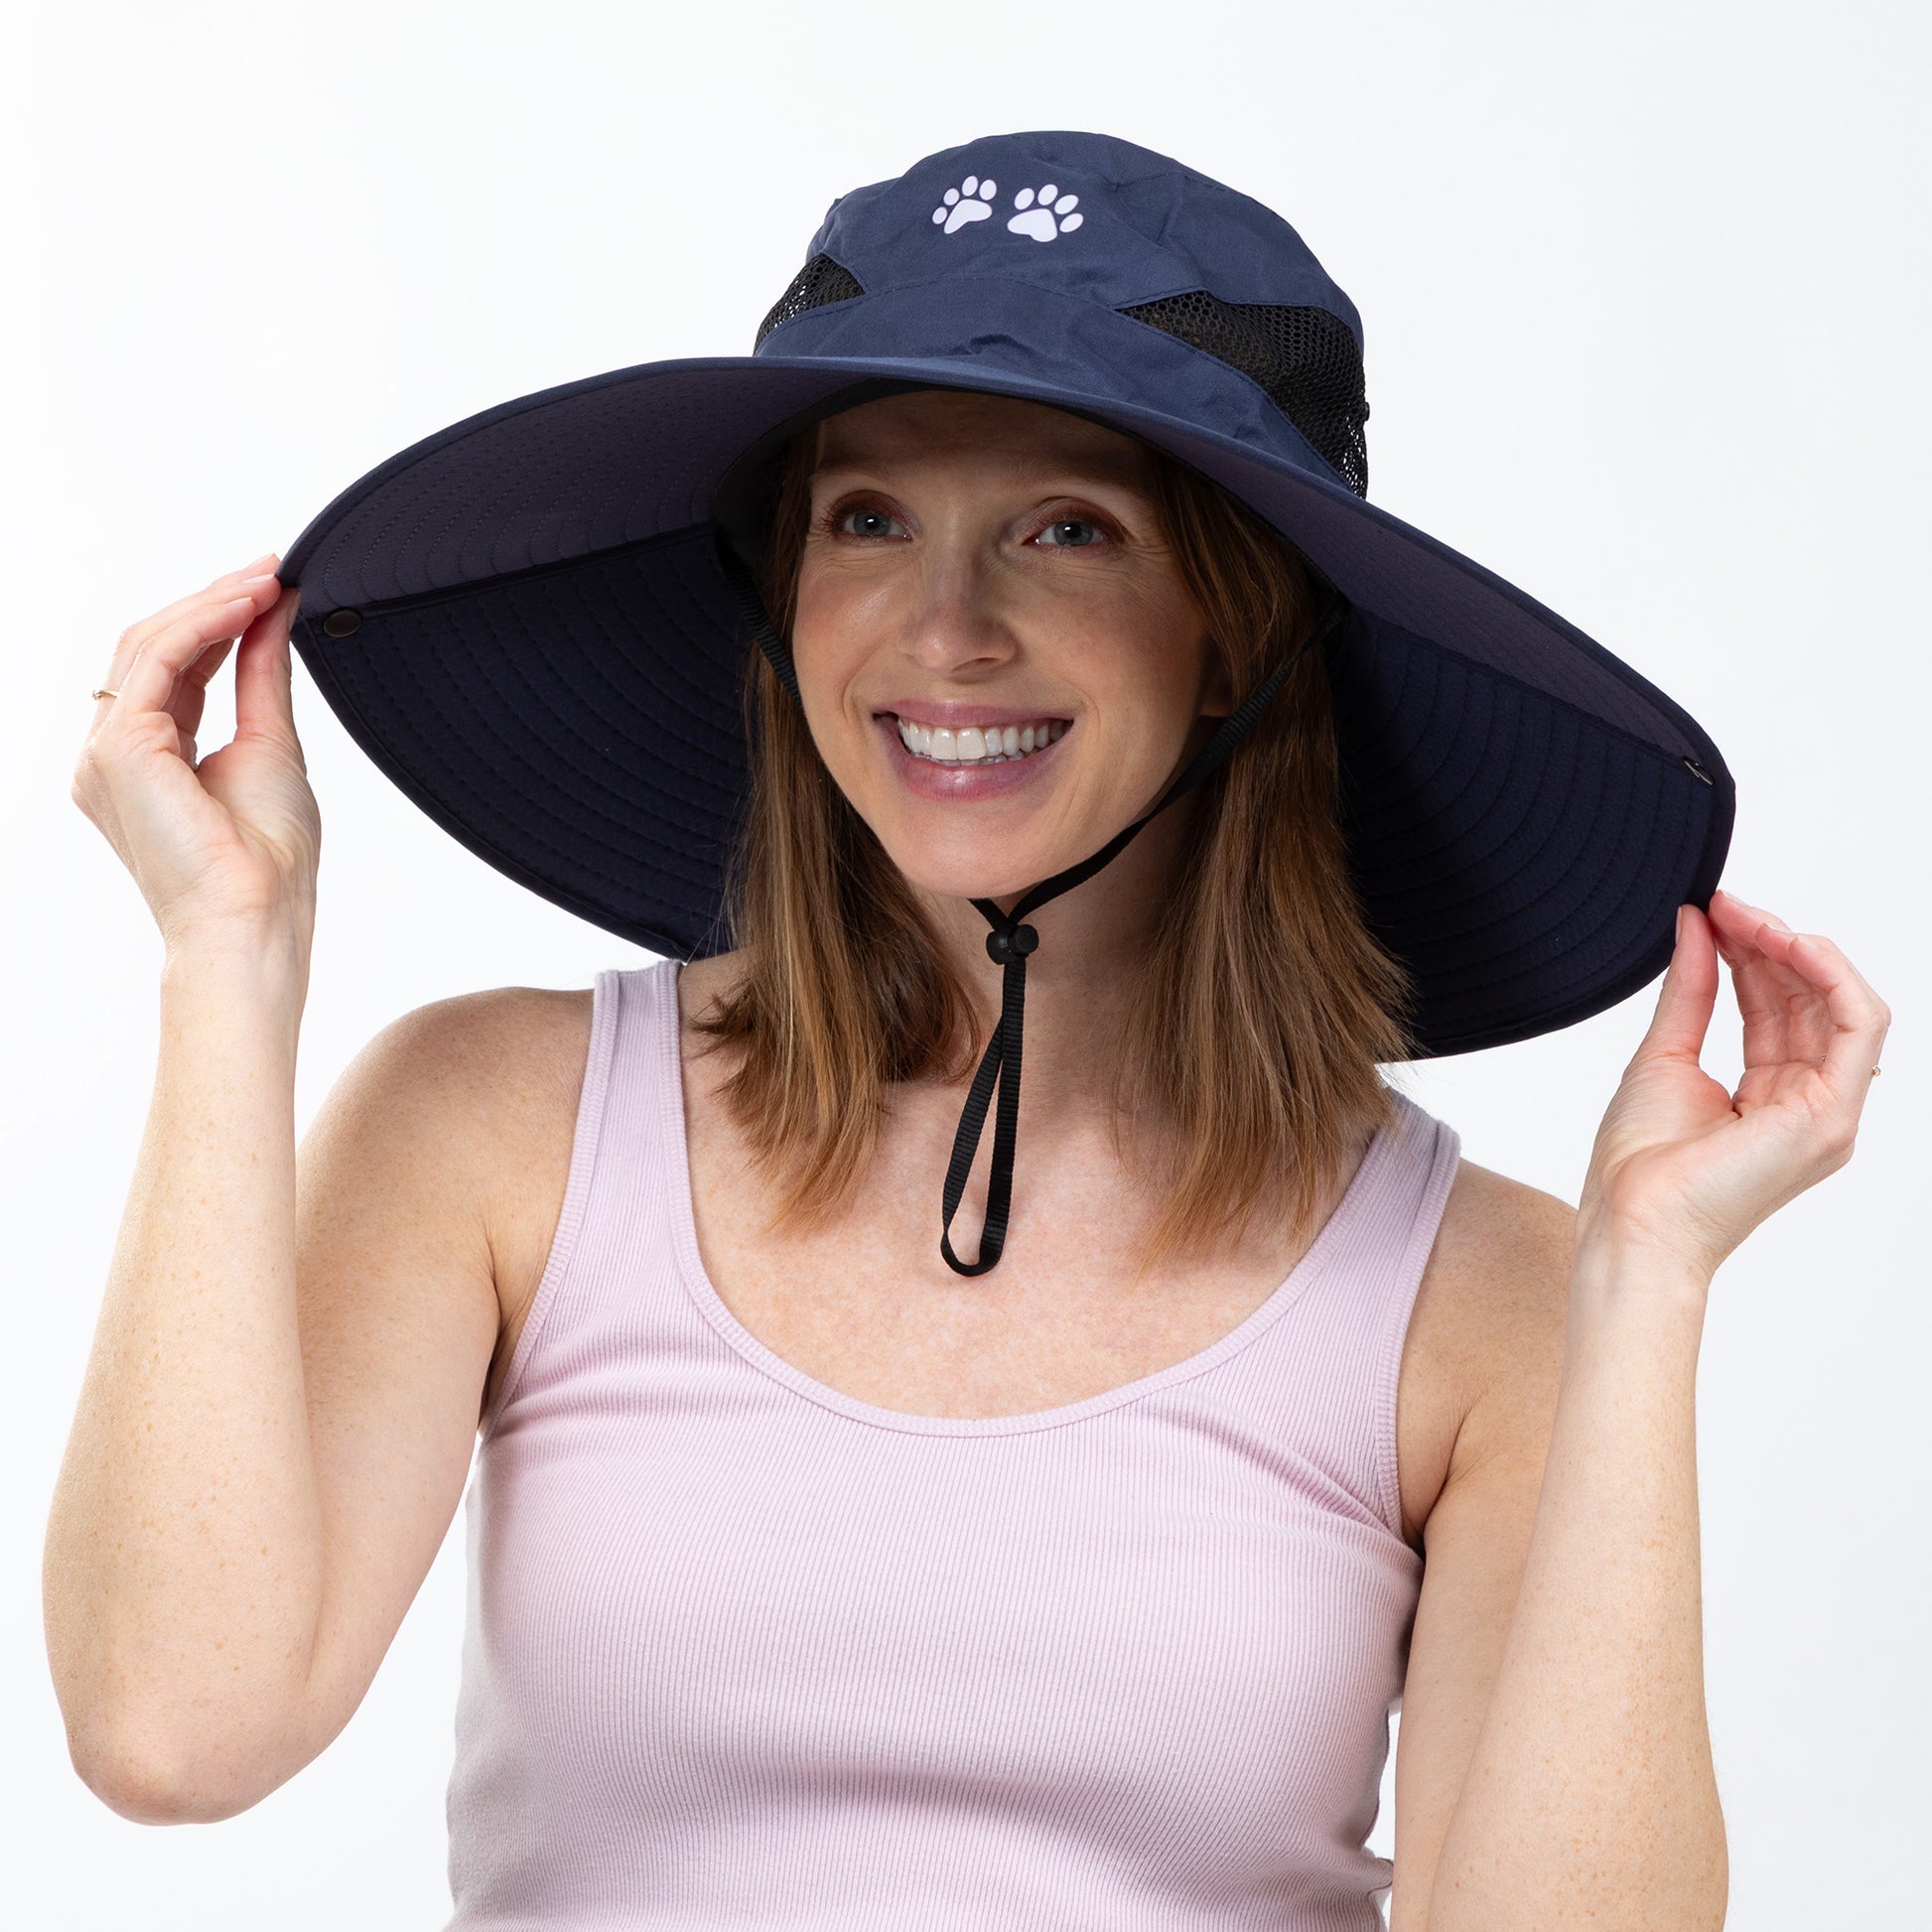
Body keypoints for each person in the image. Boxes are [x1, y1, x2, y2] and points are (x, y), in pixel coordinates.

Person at [49, 132, 1886, 1931]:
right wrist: (228, 958)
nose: (944, 631)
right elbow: (172, 1729)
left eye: (1066, 530)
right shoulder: (496, 1126)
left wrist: (1644, 1283)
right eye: (865, 520)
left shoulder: (1483, 1297)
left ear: (1236, 633)